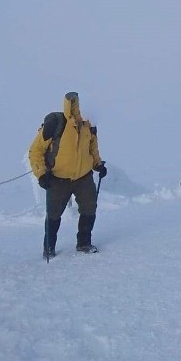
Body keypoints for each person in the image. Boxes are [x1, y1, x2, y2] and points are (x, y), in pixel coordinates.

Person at [29, 92, 108, 257]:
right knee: (54, 214)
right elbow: (36, 150)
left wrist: (98, 164)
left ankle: (84, 243)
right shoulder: (55, 124)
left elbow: (92, 147)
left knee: (89, 208)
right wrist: (41, 174)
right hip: (57, 179)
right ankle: (49, 248)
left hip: (84, 177)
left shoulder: (89, 125)